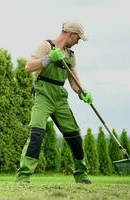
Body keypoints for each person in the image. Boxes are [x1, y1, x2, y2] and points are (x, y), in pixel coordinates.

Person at [16, 21, 93, 184]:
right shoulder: (46, 46)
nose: (78, 42)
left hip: (60, 97)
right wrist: (49, 58)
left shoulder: (71, 55)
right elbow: (29, 66)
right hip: (43, 94)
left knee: (75, 137)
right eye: (78, 38)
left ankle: (81, 175)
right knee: (36, 135)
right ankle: (23, 177)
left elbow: (74, 81)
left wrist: (82, 93)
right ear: (71, 34)